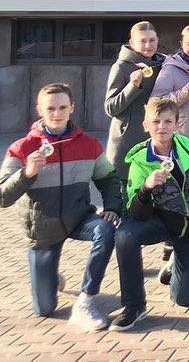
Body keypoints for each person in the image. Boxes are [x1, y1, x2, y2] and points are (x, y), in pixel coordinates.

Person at [0, 83, 121, 331]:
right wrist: (27, 173)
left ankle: (86, 301)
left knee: (106, 229)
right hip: (43, 229)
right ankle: (51, 278)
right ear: (39, 110)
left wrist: (112, 207)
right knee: (44, 309)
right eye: (51, 108)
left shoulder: (89, 144)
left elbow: (108, 179)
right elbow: (3, 197)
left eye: (63, 107)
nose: (57, 114)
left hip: (79, 218)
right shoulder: (22, 148)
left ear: (72, 107)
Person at [111, 97, 189, 331]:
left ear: (177, 124)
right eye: (156, 122)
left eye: (168, 121)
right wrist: (146, 187)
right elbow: (135, 214)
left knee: (183, 299)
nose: (161, 127)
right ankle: (134, 306)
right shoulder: (140, 162)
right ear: (146, 126)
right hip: (162, 223)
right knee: (125, 236)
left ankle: (181, 266)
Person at [104, 21, 165, 204]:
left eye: (152, 40)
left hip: (155, 144)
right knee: (127, 202)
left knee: (152, 202)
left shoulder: (164, 65)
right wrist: (133, 86)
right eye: (143, 41)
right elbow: (111, 108)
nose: (148, 45)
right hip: (127, 145)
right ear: (132, 42)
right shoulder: (121, 67)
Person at [151, 24, 189, 148]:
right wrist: (185, 92)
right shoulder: (170, 68)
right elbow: (156, 102)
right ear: (181, 43)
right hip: (180, 140)